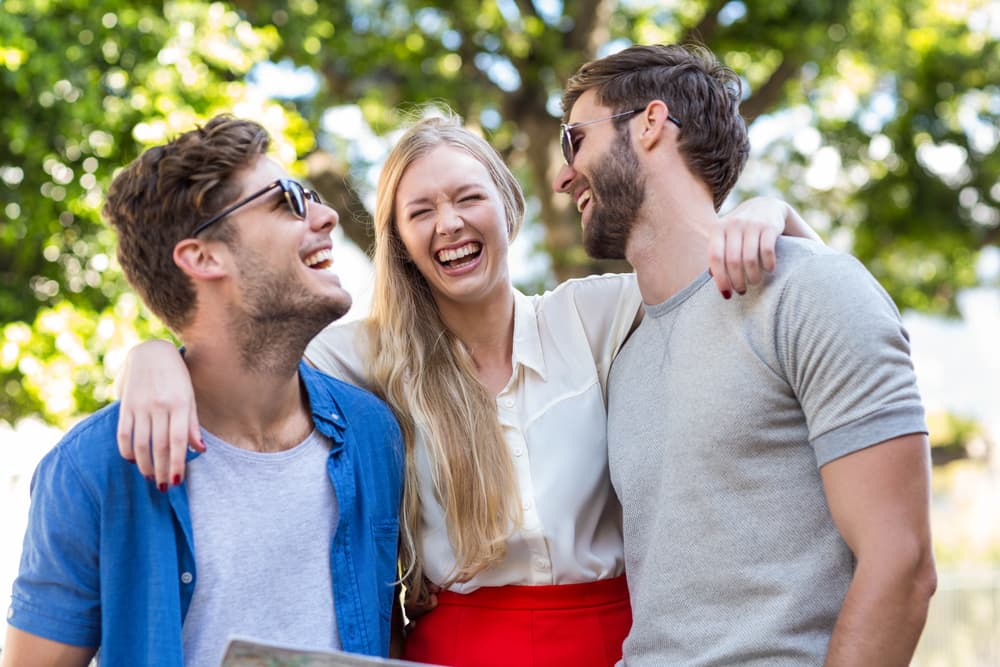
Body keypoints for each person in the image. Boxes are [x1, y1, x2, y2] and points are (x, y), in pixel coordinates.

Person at [112, 110, 816, 666]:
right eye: (420, 212)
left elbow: (720, 277)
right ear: (402, 241)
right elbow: (238, 357)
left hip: (617, 647)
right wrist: (152, 356)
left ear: (506, 207)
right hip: (451, 650)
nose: (448, 222)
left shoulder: (593, 314)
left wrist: (770, 209)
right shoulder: (361, 354)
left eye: (467, 197)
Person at [551, 43, 937, 666]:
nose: (562, 175)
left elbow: (903, 564)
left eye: (575, 140)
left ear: (651, 124)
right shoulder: (621, 351)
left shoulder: (808, 289)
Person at [2, 116, 404, 667]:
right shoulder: (92, 468)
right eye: (287, 200)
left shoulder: (374, 434)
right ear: (203, 257)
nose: (328, 214)